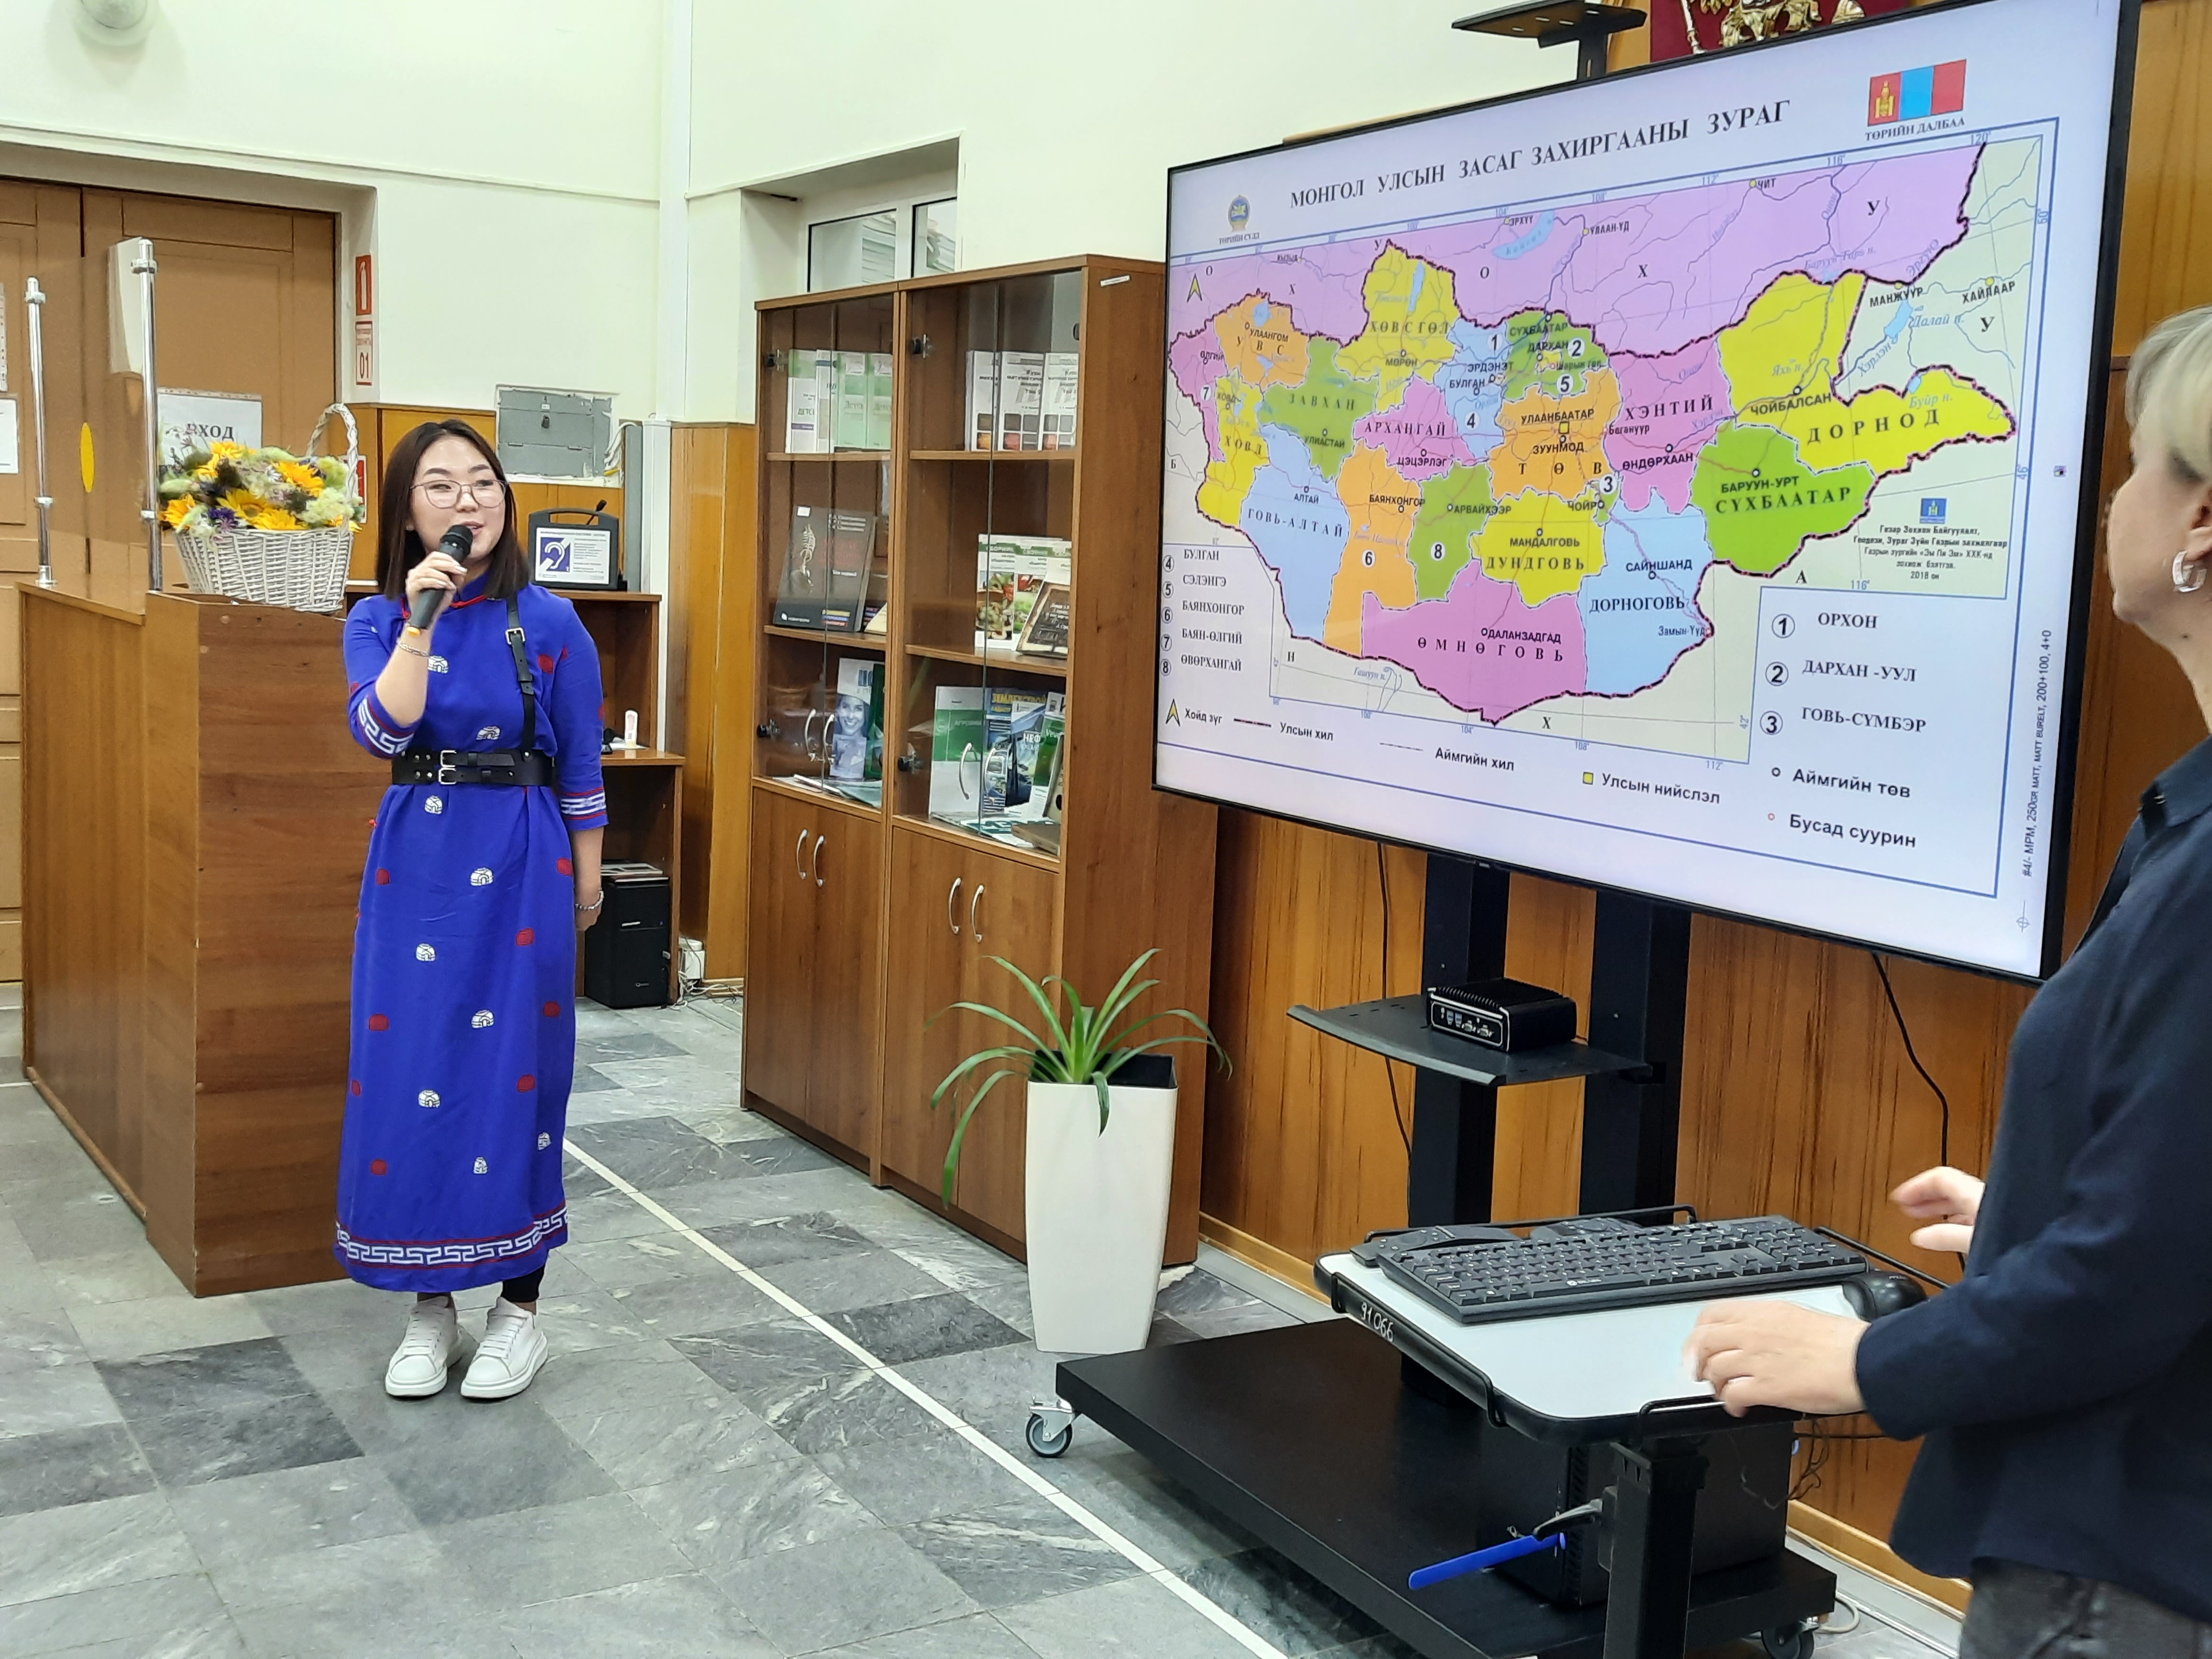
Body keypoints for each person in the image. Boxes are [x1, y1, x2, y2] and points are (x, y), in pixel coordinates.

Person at [1685, 307, 2212, 1655]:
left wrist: (1863, 1364)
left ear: (2202, 524)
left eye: (2133, 465)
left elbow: (2136, 1276)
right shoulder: (2186, 814)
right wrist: (2031, 1209)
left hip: (2122, 1562)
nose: (2111, 501)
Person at [337, 420, 608, 1401]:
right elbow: (383, 728)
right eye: (441, 486)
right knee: (413, 1070)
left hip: (526, 860)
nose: (467, 501)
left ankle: (519, 1313)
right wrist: (422, 619)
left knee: (516, 1077)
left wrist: (588, 883)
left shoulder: (552, 620)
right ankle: (430, 1309)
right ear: (407, 513)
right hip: (417, 866)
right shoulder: (379, 618)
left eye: (482, 482)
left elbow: (582, 763)